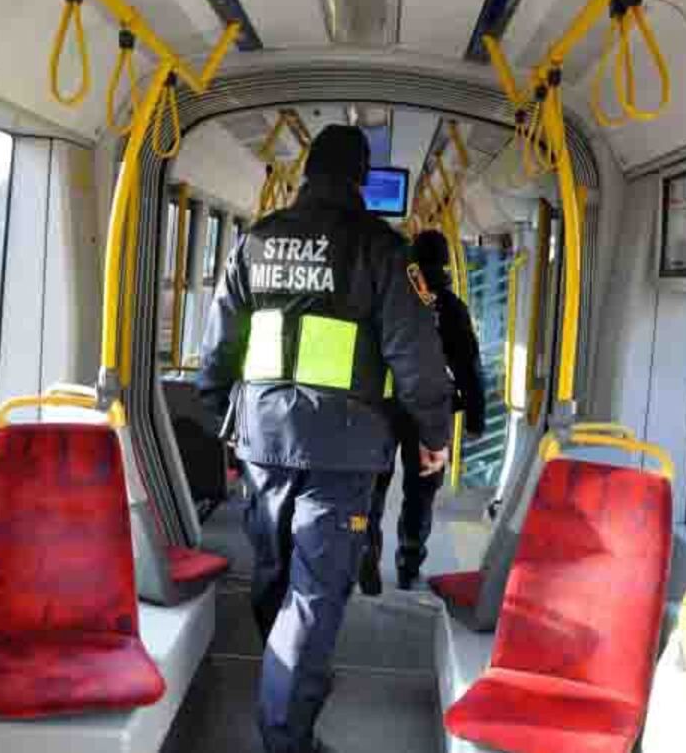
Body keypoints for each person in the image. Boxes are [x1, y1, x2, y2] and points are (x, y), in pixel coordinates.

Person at [197, 125, 452, 753]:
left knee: (274, 576)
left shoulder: (253, 243)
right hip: (341, 451)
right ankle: (286, 734)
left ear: (305, 169)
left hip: (262, 439)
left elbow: (217, 348)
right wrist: (433, 434)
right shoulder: (382, 249)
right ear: (363, 178)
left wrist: (225, 417)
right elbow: (415, 358)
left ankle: (293, 679)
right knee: (314, 595)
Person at [359, 229, 486, 595]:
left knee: (373, 488)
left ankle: (367, 556)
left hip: (382, 407)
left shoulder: (386, 302)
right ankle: (408, 565)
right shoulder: (450, 308)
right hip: (430, 415)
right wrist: (476, 416)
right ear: (447, 264)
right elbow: (469, 367)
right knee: (421, 492)